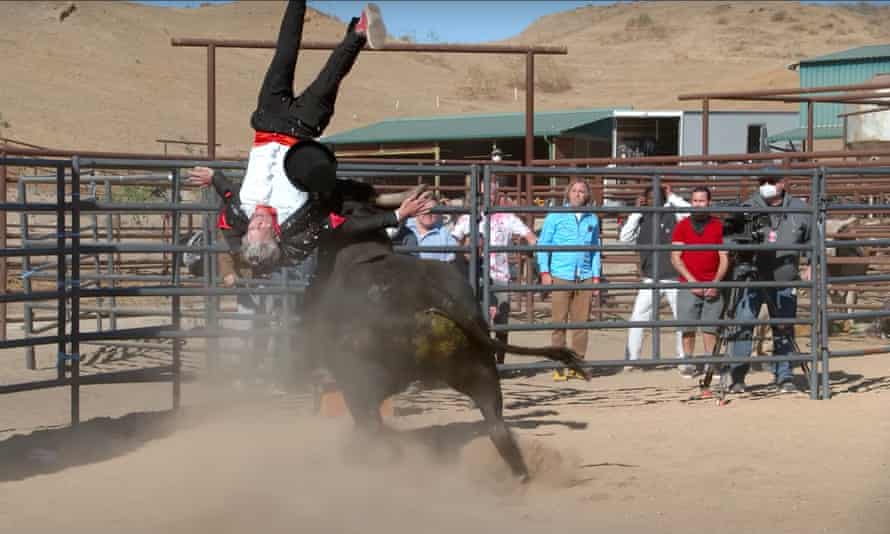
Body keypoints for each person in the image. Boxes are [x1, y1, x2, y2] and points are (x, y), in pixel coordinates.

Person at [192, 0, 390, 272]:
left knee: (284, 53)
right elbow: (334, 218)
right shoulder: (299, 220)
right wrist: (395, 216)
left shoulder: (241, 211)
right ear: (276, 235)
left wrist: (214, 177)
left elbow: (229, 194)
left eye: (252, 227)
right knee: (330, 78)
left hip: (267, 119)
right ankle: (359, 32)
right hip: (303, 128)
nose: (257, 221)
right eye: (261, 227)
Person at [725, 175, 812, 394]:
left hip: (785, 278)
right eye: (762, 181)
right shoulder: (747, 207)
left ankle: (784, 376)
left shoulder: (800, 209)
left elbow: (813, 239)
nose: (766, 186)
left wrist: (812, 264)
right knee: (744, 324)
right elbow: (729, 237)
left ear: (783, 183)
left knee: (783, 327)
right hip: (751, 276)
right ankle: (737, 377)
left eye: (771, 181)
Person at [451, 179, 537, 365]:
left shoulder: (507, 218)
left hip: (500, 277)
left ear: (497, 194)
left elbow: (529, 235)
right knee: (478, 320)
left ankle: (500, 362)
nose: (487, 196)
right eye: (483, 192)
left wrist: (532, 248)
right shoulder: (468, 218)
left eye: (491, 192)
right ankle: (484, 362)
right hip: (475, 277)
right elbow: (453, 242)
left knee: (501, 321)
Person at [619, 184, 690, 374]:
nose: (652, 200)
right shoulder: (642, 216)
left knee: (680, 320)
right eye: (649, 197)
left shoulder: (674, 213)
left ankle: (683, 359)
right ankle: (632, 358)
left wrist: (672, 196)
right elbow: (624, 238)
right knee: (638, 317)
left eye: (656, 196)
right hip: (650, 277)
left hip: (675, 277)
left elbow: (689, 213)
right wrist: (636, 211)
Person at [536, 178, 601, 381]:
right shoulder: (555, 215)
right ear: (568, 193)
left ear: (587, 195)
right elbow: (543, 244)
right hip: (560, 275)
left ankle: (577, 364)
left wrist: (597, 275)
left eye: (582, 191)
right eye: (574, 190)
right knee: (558, 322)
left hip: (585, 276)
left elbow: (596, 249)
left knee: (581, 324)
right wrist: (545, 272)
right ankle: (559, 366)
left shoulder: (592, 218)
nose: (578, 194)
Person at [670, 186, 729, 378]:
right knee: (687, 325)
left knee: (711, 326)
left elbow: (724, 258)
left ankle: (710, 362)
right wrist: (691, 282)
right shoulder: (682, 226)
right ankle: (687, 361)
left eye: (701, 200)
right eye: (695, 200)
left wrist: (715, 282)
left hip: (713, 282)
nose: (698, 204)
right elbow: (675, 257)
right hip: (688, 283)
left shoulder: (719, 226)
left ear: (708, 202)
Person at [395, 197, 458, 262]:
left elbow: (452, 258)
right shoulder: (403, 227)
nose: (429, 214)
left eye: (433, 210)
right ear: (416, 210)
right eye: (424, 210)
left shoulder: (444, 233)